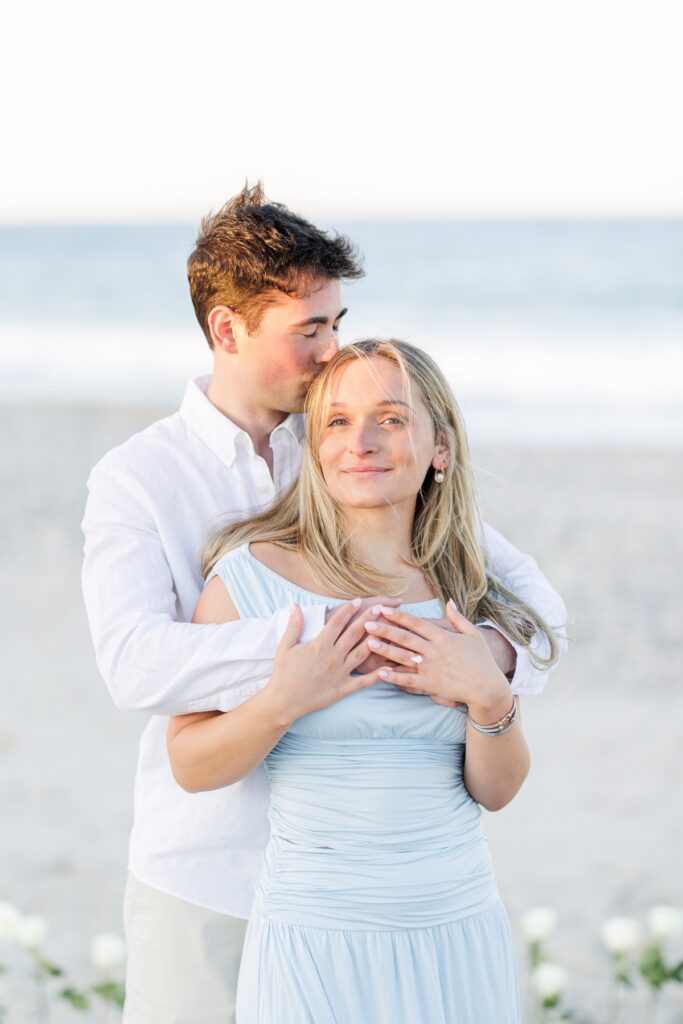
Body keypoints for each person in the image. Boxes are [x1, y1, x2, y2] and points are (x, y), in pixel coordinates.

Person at [81, 184, 567, 1024]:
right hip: (208, 871)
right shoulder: (139, 477)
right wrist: (312, 651)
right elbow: (132, 666)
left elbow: (540, 616)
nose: (330, 350)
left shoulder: (351, 439)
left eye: (337, 324)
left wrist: (476, 665)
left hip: (391, 886)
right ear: (228, 330)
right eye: (309, 330)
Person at [167, 339, 564, 1023]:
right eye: (338, 421)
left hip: (454, 930)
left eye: (390, 418)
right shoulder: (249, 582)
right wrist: (285, 699)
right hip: (314, 940)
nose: (363, 442)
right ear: (315, 449)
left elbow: (495, 792)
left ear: (439, 448)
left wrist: (489, 695)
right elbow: (190, 765)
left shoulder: (470, 592)